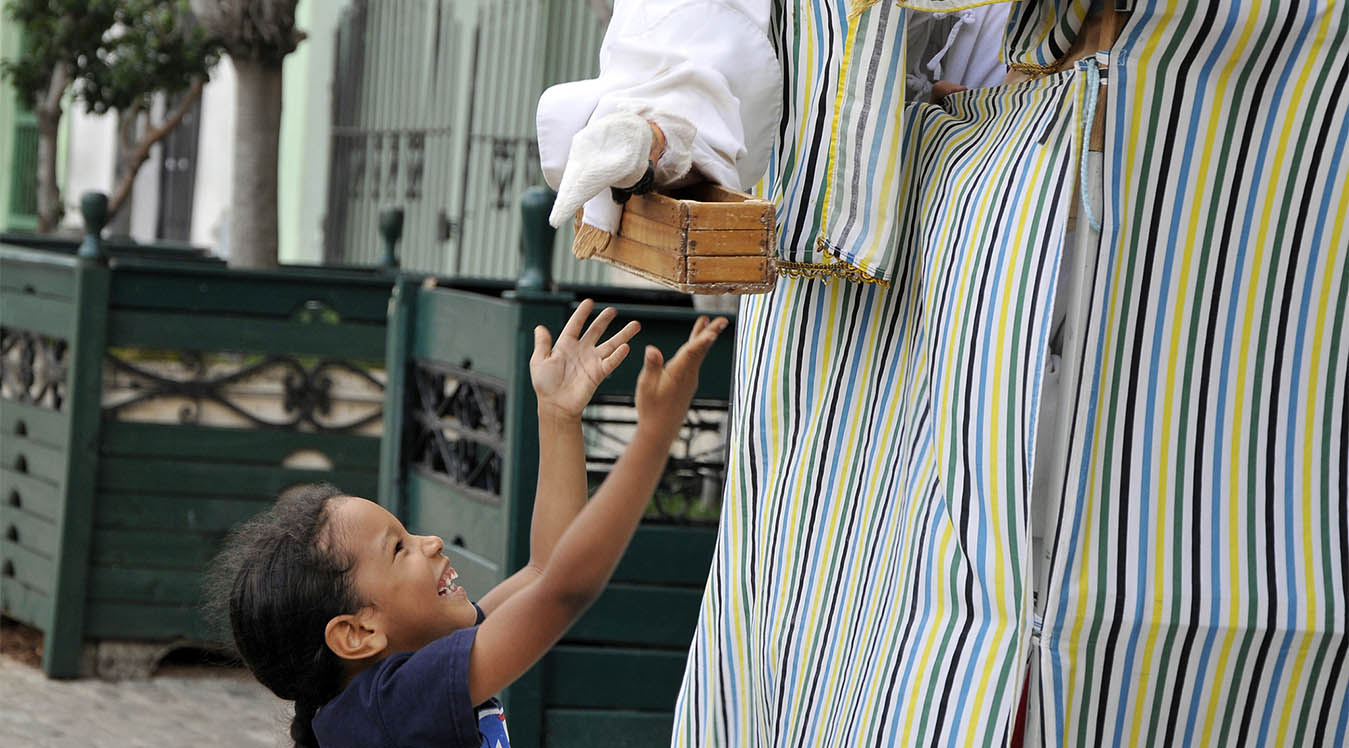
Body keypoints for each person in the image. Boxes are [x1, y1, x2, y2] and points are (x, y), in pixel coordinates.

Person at [209, 300, 729, 748]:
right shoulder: (389, 705)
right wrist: (652, 439)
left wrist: (558, 415)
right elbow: (563, 589)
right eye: (399, 549)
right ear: (358, 632)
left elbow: (545, 569)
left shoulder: (405, 674)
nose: (432, 542)